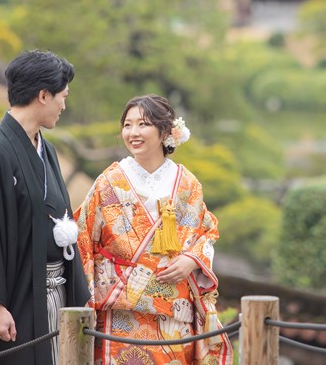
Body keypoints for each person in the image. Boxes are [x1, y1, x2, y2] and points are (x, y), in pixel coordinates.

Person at [75, 94, 233, 365]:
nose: (133, 133)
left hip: (174, 316)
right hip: (121, 311)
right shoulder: (108, 182)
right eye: (127, 125)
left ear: (165, 132)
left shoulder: (187, 184)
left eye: (143, 124)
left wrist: (191, 260)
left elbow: (207, 231)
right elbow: (83, 238)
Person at [0, 50, 90, 365]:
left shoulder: (48, 150)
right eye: (62, 97)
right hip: (17, 295)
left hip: (55, 290)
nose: (64, 105)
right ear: (43, 95)